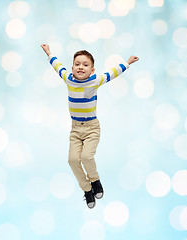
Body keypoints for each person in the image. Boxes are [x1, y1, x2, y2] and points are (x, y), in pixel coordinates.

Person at [41, 44, 139, 209]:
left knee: (86, 157)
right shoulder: (68, 78)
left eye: (85, 65)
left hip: (92, 128)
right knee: (72, 160)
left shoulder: (95, 80)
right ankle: (87, 189)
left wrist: (128, 62)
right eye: (77, 64)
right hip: (75, 130)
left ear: (92, 70)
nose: (81, 67)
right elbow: (57, 65)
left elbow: (112, 73)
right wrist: (49, 53)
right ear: (72, 68)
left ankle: (95, 180)